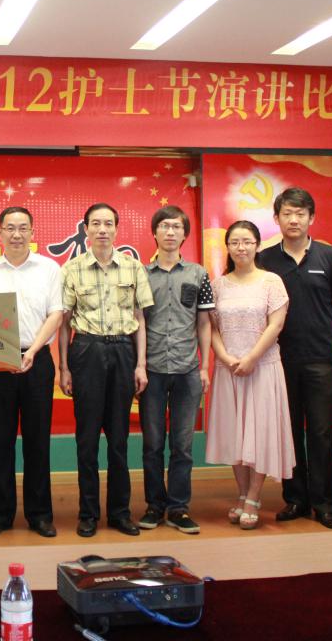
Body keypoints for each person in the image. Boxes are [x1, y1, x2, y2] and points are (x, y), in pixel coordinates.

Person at [258, 188, 332, 529]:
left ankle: (325, 504)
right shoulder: (265, 260)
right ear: (277, 218)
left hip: (319, 359)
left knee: (321, 432)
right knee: (288, 431)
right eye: (287, 213)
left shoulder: (329, 256)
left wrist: (322, 329)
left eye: (300, 213)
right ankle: (295, 499)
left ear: (311, 218)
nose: (294, 219)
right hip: (279, 359)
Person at [59, 202, 154, 538]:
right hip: (86, 351)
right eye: (96, 223)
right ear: (86, 229)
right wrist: (64, 367)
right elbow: (64, 323)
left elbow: (140, 319)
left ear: (116, 228)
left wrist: (140, 364)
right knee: (86, 440)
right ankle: (88, 513)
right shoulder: (72, 269)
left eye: (108, 223)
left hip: (123, 351)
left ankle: (119, 513)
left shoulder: (133, 267)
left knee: (119, 438)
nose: (102, 229)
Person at [0, 207, 63, 538]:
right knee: (1, 441)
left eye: (23, 228)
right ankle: (0, 514)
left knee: (38, 441)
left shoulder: (49, 269)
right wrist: (0, 352)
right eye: (10, 228)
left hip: (37, 361)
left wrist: (34, 350)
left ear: (32, 232)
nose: (16, 234)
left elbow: (56, 313)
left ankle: (40, 515)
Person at [205, 220, 294, 530]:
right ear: (228, 248)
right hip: (229, 368)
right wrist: (225, 357)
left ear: (257, 245)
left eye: (247, 242)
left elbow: (276, 324)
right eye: (235, 242)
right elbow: (211, 328)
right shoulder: (218, 285)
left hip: (262, 368)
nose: (241, 247)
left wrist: (253, 358)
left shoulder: (271, 282)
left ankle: (254, 497)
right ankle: (242, 493)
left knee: (260, 433)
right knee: (235, 434)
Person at [137, 205, 213, 535]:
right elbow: (138, 322)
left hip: (187, 369)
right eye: (164, 226)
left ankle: (179, 508)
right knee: (152, 444)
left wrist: (205, 366)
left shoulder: (199, 274)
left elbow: (204, 323)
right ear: (154, 232)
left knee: (182, 445)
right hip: (152, 370)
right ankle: (154, 506)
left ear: (185, 234)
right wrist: (139, 365)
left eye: (177, 227)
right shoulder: (141, 274)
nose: (170, 232)